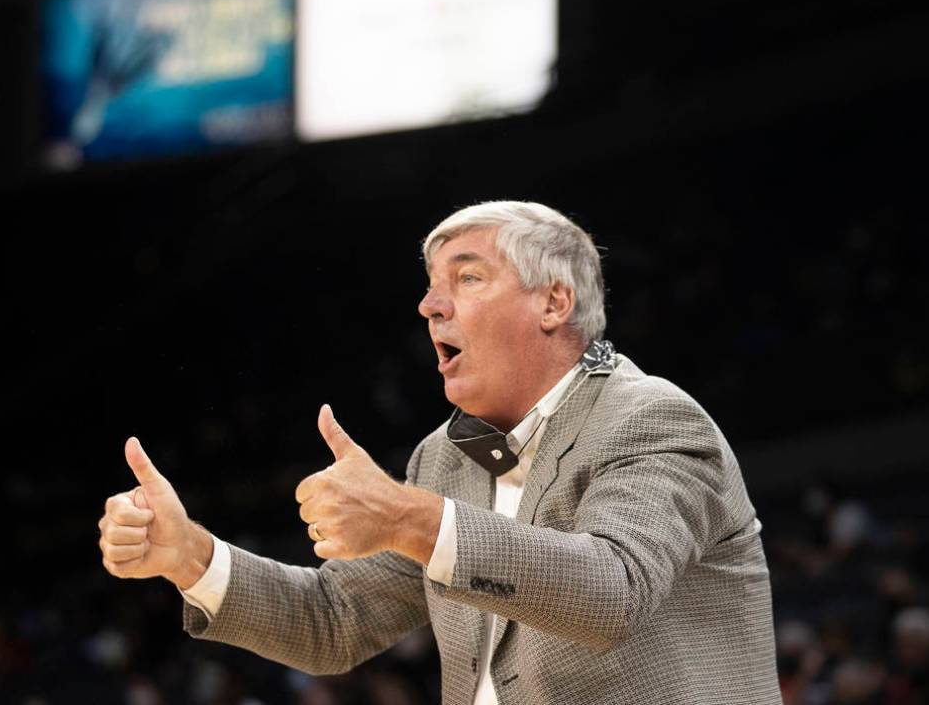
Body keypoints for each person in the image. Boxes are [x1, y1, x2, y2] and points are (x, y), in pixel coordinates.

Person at [97, 201, 782, 703]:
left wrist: (412, 520)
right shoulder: (445, 459)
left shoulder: (654, 417)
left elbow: (612, 591)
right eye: (430, 283)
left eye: (467, 277)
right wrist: (191, 555)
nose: (430, 304)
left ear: (554, 301)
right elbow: (332, 622)